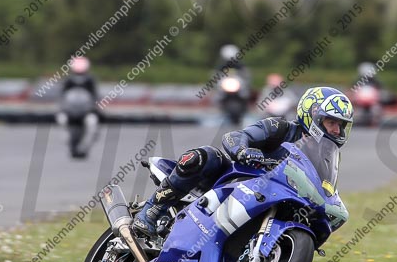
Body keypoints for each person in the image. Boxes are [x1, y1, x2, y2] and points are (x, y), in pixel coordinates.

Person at [132, 86, 354, 236]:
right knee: (203, 156)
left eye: (340, 125)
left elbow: (324, 187)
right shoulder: (280, 128)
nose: (336, 129)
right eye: (331, 122)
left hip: (275, 197)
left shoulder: (326, 157)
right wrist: (245, 151)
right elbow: (236, 137)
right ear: (312, 115)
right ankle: (152, 210)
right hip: (236, 181)